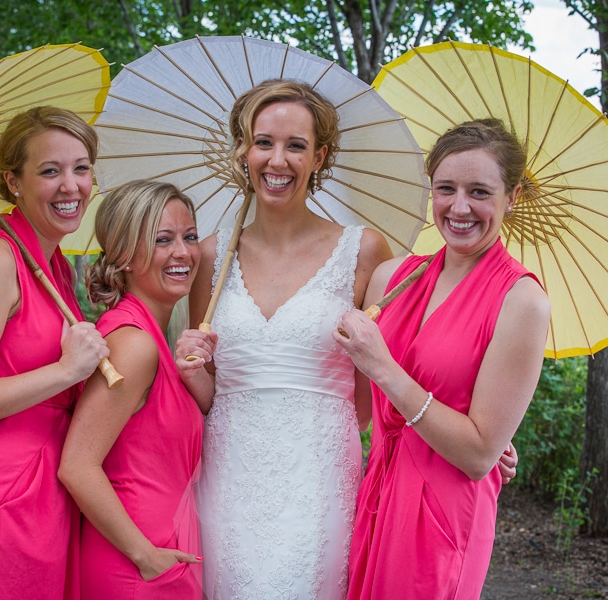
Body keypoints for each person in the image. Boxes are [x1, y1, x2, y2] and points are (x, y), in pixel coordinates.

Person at [174, 78, 395, 599]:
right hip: (230, 471)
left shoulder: (362, 250)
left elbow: (376, 387)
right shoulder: (209, 256)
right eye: (264, 142)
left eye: (296, 145)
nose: (278, 160)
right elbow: (209, 394)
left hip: (320, 473)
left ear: (320, 156)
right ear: (243, 151)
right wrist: (191, 365)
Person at [333, 118, 551, 599]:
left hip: (442, 511)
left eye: (479, 192)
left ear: (512, 196)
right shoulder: (391, 278)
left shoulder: (521, 302)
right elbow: (361, 409)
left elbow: (475, 456)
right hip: (377, 492)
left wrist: (385, 369)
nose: (459, 207)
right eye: (445, 188)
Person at [0, 106, 110, 600]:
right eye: (50, 171)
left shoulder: (55, 264)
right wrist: (65, 370)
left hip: (48, 490)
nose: (71, 186)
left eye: (81, 167)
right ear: (13, 182)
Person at [58, 179, 205, 599]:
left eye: (189, 236)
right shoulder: (134, 344)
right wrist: (145, 556)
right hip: (137, 563)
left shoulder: (156, 337)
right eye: (163, 240)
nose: (183, 252)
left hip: (163, 551)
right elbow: (77, 466)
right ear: (125, 256)